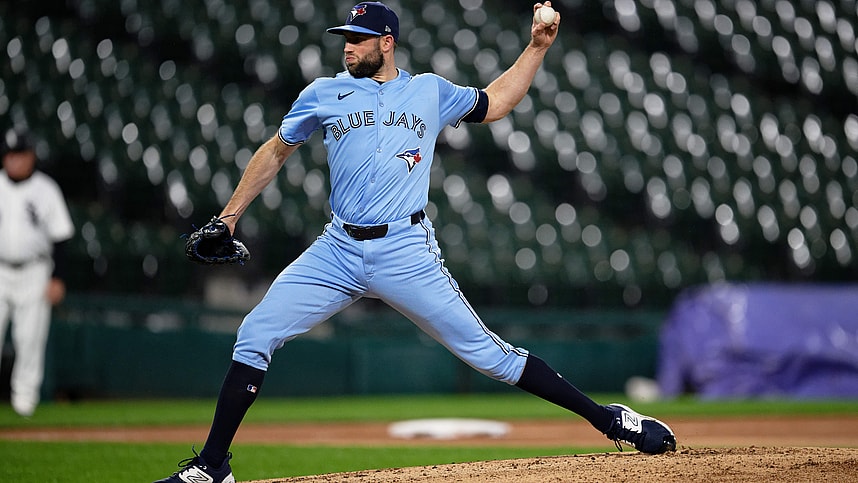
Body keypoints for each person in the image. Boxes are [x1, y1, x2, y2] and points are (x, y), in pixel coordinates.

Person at [155, 2, 676, 481]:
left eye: (358, 38)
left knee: (490, 357)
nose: (347, 46)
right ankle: (212, 467)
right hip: (337, 249)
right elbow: (276, 150)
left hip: (404, 250)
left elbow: (496, 102)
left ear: (387, 42)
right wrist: (228, 218)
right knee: (255, 332)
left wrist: (537, 47)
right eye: (345, 38)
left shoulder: (428, 91)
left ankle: (610, 420)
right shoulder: (323, 93)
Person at [0, 129, 75, 417]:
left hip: (34, 270)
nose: (14, 160)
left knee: (29, 337)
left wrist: (58, 277)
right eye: (9, 155)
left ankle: (25, 401)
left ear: (30, 156)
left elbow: (61, 237)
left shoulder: (46, 189)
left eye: (19, 154)